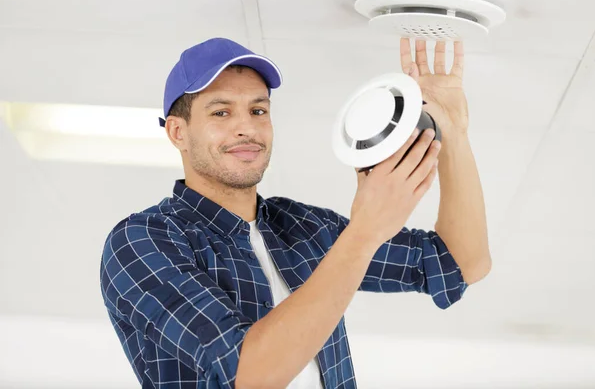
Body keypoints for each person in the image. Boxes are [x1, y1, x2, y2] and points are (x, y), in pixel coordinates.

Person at [100, 37, 491, 389]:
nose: (246, 128)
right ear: (177, 132)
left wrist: (452, 131)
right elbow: (249, 374)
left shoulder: (303, 228)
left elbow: (461, 262)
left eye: (258, 110)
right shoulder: (142, 241)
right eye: (221, 113)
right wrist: (364, 233)